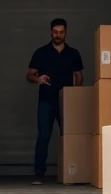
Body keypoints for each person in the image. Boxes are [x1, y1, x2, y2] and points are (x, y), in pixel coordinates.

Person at [26, 18, 84, 184]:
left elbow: (79, 75)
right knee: (44, 136)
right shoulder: (41, 52)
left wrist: (75, 94)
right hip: (46, 100)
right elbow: (29, 75)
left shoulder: (73, 53)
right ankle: (39, 174)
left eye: (61, 32)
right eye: (55, 32)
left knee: (69, 135)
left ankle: (72, 172)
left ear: (66, 32)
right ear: (51, 32)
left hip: (66, 102)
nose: (58, 35)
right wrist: (38, 79)